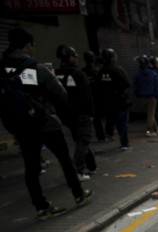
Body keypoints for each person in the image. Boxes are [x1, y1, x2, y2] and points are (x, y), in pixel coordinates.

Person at [0, 28, 93, 219]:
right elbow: (61, 94)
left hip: (19, 124)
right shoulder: (35, 68)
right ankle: (78, 194)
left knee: (31, 167)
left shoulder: (2, 67)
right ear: (28, 45)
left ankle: (41, 207)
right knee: (64, 159)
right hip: (44, 122)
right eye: (33, 44)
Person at [55, 45, 97, 179]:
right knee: (83, 139)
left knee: (81, 138)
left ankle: (92, 166)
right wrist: (91, 113)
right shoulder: (78, 73)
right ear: (71, 57)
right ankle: (77, 171)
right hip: (80, 113)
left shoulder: (56, 74)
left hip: (65, 114)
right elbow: (87, 95)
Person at [98, 48, 132, 149]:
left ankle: (114, 136)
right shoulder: (118, 69)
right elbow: (127, 83)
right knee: (123, 123)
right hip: (120, 101)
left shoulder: (101, 71)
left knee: (116, 121)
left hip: (108, 102)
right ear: (112, 58)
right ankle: (124, 143)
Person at [133, 55, 158, 136]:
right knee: (151, 114)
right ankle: (150, 130)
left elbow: (135, 86)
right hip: (152, 96)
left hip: (142, 96)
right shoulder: (153, 73)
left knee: (149, 114)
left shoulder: (137, 74)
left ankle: (155, 128)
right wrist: (157, 95)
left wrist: (137, 94)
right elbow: (157, 86)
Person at [82, 51, 105, 141]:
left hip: (89, 98)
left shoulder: (83, 72)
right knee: (99, 117)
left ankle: (99, 135)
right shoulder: (97, 71)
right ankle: (103, 135)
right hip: (98, 97)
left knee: (95, 118)